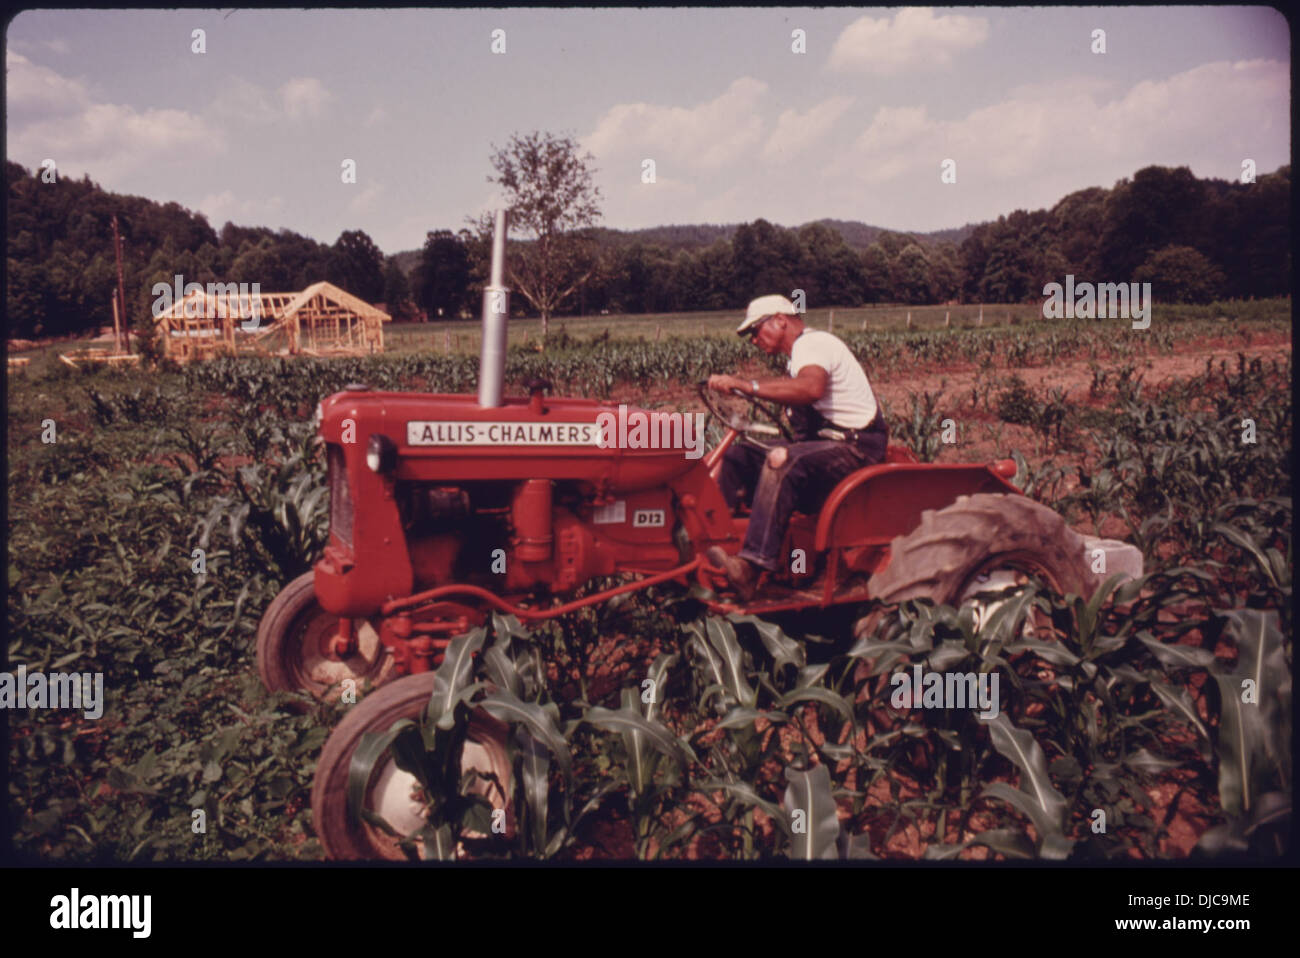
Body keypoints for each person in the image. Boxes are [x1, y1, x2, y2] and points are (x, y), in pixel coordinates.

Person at [705, 294, 887, 599]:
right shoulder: (799, 356)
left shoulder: (812, 344)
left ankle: (751, 568)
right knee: (739, 455)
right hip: (826, 446)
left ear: (780, 319)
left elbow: (810, 388)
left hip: (856, 448)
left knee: (782, 459)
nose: (753, 341)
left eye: (755, 330)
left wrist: (746, 385)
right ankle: (712, 545)